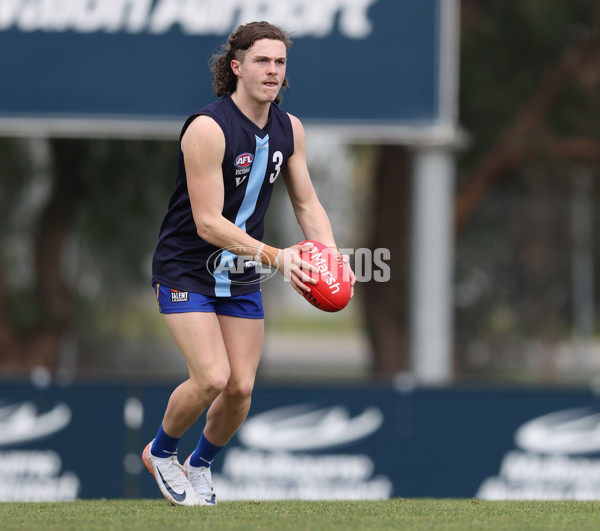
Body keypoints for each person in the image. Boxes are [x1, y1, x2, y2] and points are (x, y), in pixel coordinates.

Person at [142, 21, 355, 506]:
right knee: (212, 377)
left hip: (238, 275)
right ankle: (161, 451)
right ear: (236, 67)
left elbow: (307, 205)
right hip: (186, 269)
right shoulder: (207, 128)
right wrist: (279, 257)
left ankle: (198, 466)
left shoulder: (289, 129)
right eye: (262, 60)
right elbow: (208, 224)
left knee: (239, 389)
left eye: (280, 62)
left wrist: (332, 260)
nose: (273, 70)